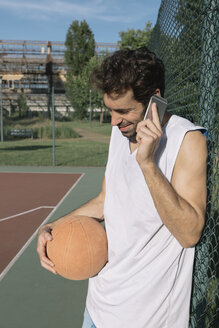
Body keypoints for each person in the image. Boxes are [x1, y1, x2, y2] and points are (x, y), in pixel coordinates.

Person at [37, 47, 207, 328]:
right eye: (110, 111)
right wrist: (53, 227)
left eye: (123, 111)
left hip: (145, 319)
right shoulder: (121, 132)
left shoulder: (187, 140)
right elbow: (107, 199)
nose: (114, 121)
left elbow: (189, 233)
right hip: (98, 306)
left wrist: (148, 164)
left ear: (155, 99)